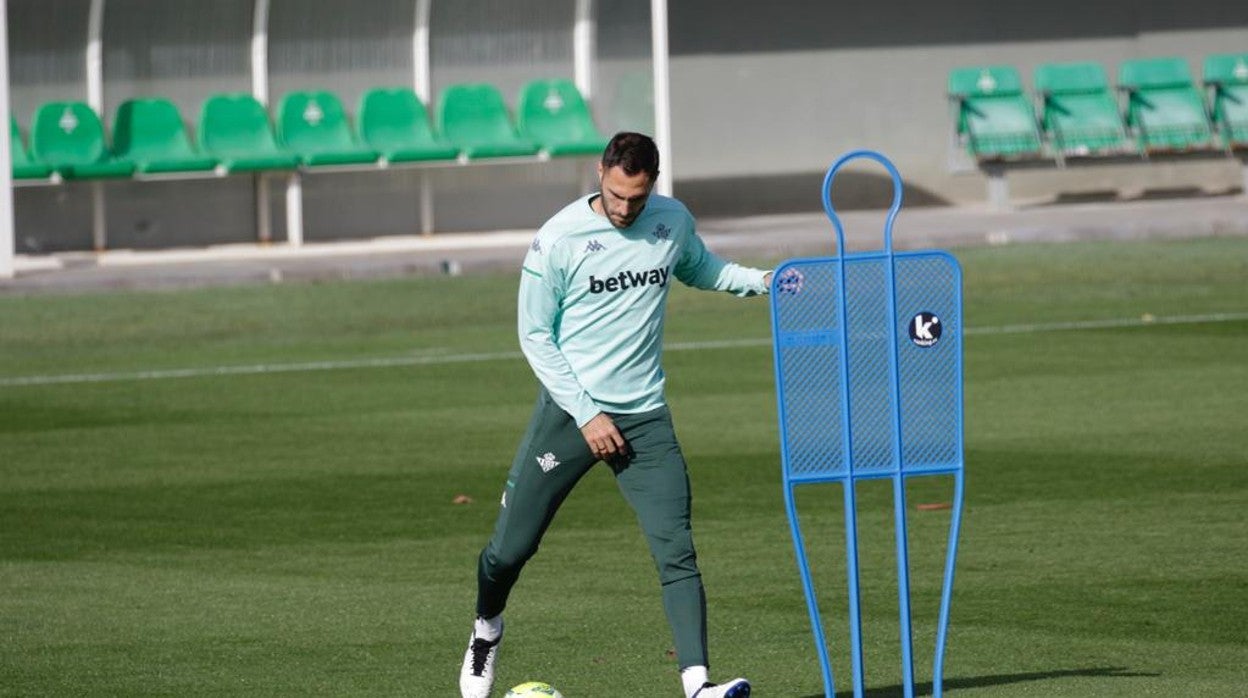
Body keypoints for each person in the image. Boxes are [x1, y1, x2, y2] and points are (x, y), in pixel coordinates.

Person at [460, 132, 769, 698]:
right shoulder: (559, 237)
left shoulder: (671, 220)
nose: (626, 210)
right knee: (511, 550)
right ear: (601, 173)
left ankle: (697, 686)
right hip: (570, 416)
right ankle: (485, 631)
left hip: (646, 418)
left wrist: (766, 282)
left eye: (638, 198)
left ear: (653, 184)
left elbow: (700, 268)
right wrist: (587, 414)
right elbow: (534, 335)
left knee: (676, 550)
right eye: (616, 195)